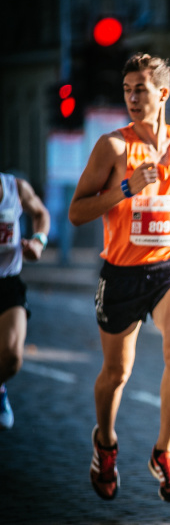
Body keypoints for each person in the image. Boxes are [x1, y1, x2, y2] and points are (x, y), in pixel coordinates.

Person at [68, 52, 170, 503]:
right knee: (116, 372)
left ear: (162, 93)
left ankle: (165, 451)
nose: (131, 97)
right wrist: (127, 188)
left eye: (140, 89)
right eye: (127, 90)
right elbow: (77, 212)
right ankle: (105, 443)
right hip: (123, 273)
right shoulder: (113, 147)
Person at [0, 173, 50, 430]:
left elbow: (41, 213)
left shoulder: (15, 188)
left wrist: (38, 242)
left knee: (11, 358)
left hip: (7, 281)